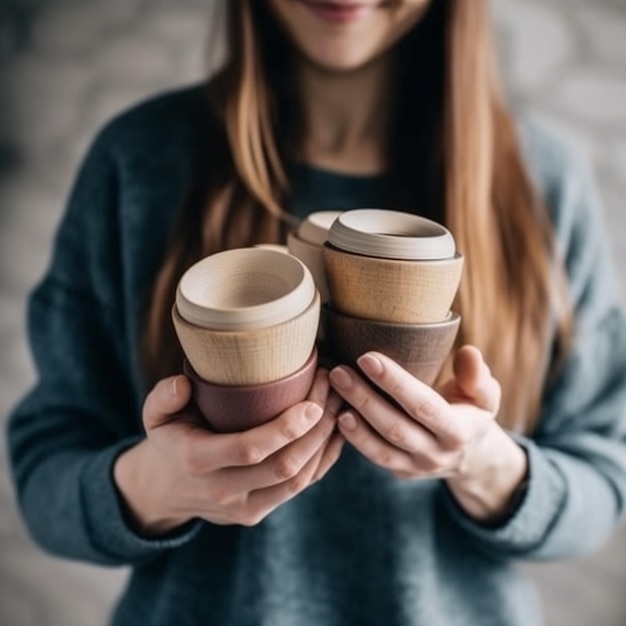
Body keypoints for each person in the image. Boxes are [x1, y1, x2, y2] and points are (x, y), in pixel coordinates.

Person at [7, 1, 626, 624]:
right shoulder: (141, 161)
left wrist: (486, 464)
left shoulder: (541, 181)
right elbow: (45, 473)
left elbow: (606, 478)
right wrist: (155, 486)